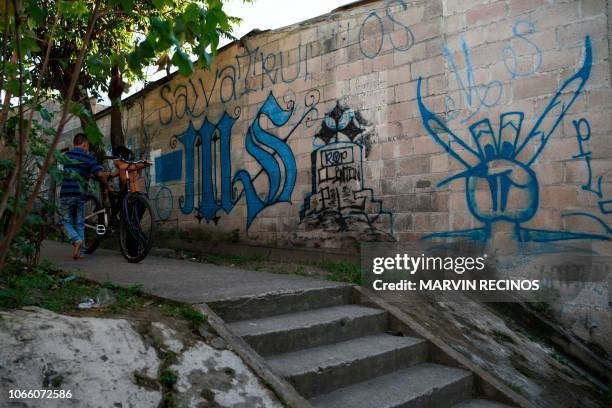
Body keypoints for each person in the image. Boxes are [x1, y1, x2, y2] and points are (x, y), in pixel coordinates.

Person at [60, 133, 110, 259]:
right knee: (80, 222)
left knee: (65, 221)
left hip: (66, 193)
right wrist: (108, 186)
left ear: (74, 143)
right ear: (85, 144)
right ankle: (80, 250)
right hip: (80, 194)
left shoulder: (67, 156)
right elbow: (99, 174)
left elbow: (75, 170)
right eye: (87, 146)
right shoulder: (88, 156)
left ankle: (76, 240)